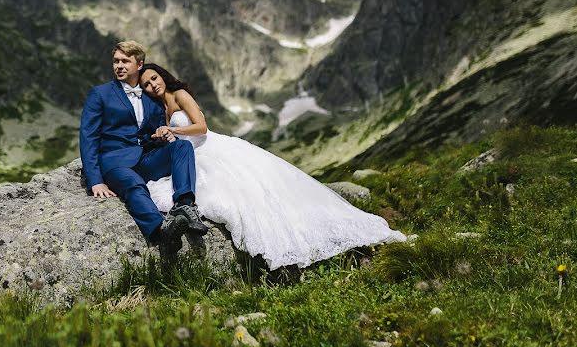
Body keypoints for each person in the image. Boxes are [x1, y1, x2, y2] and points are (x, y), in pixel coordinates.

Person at [139, 63, 406, 270]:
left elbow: (201, 126)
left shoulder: (180, 93)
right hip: (193, 151)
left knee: (246, 188)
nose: (152, 85)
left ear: (162, 76)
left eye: (154, 78)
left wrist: (175, 130)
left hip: (209, 146)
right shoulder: (161, 108)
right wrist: (167, 135)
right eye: (146, 85)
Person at [79, 41, 209, 254]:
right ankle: (161, 230)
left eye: (125, 61)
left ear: (139, 64)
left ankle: (185, 204)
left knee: (182, 147)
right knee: (133, 183)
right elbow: (88, 137)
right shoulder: (100, 94)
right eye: (115, 61)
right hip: (115, 163)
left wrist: (163, 135)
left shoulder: (152, 99)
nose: (118, 66)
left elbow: (151, 135)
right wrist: (96, 181)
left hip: (145, 159)